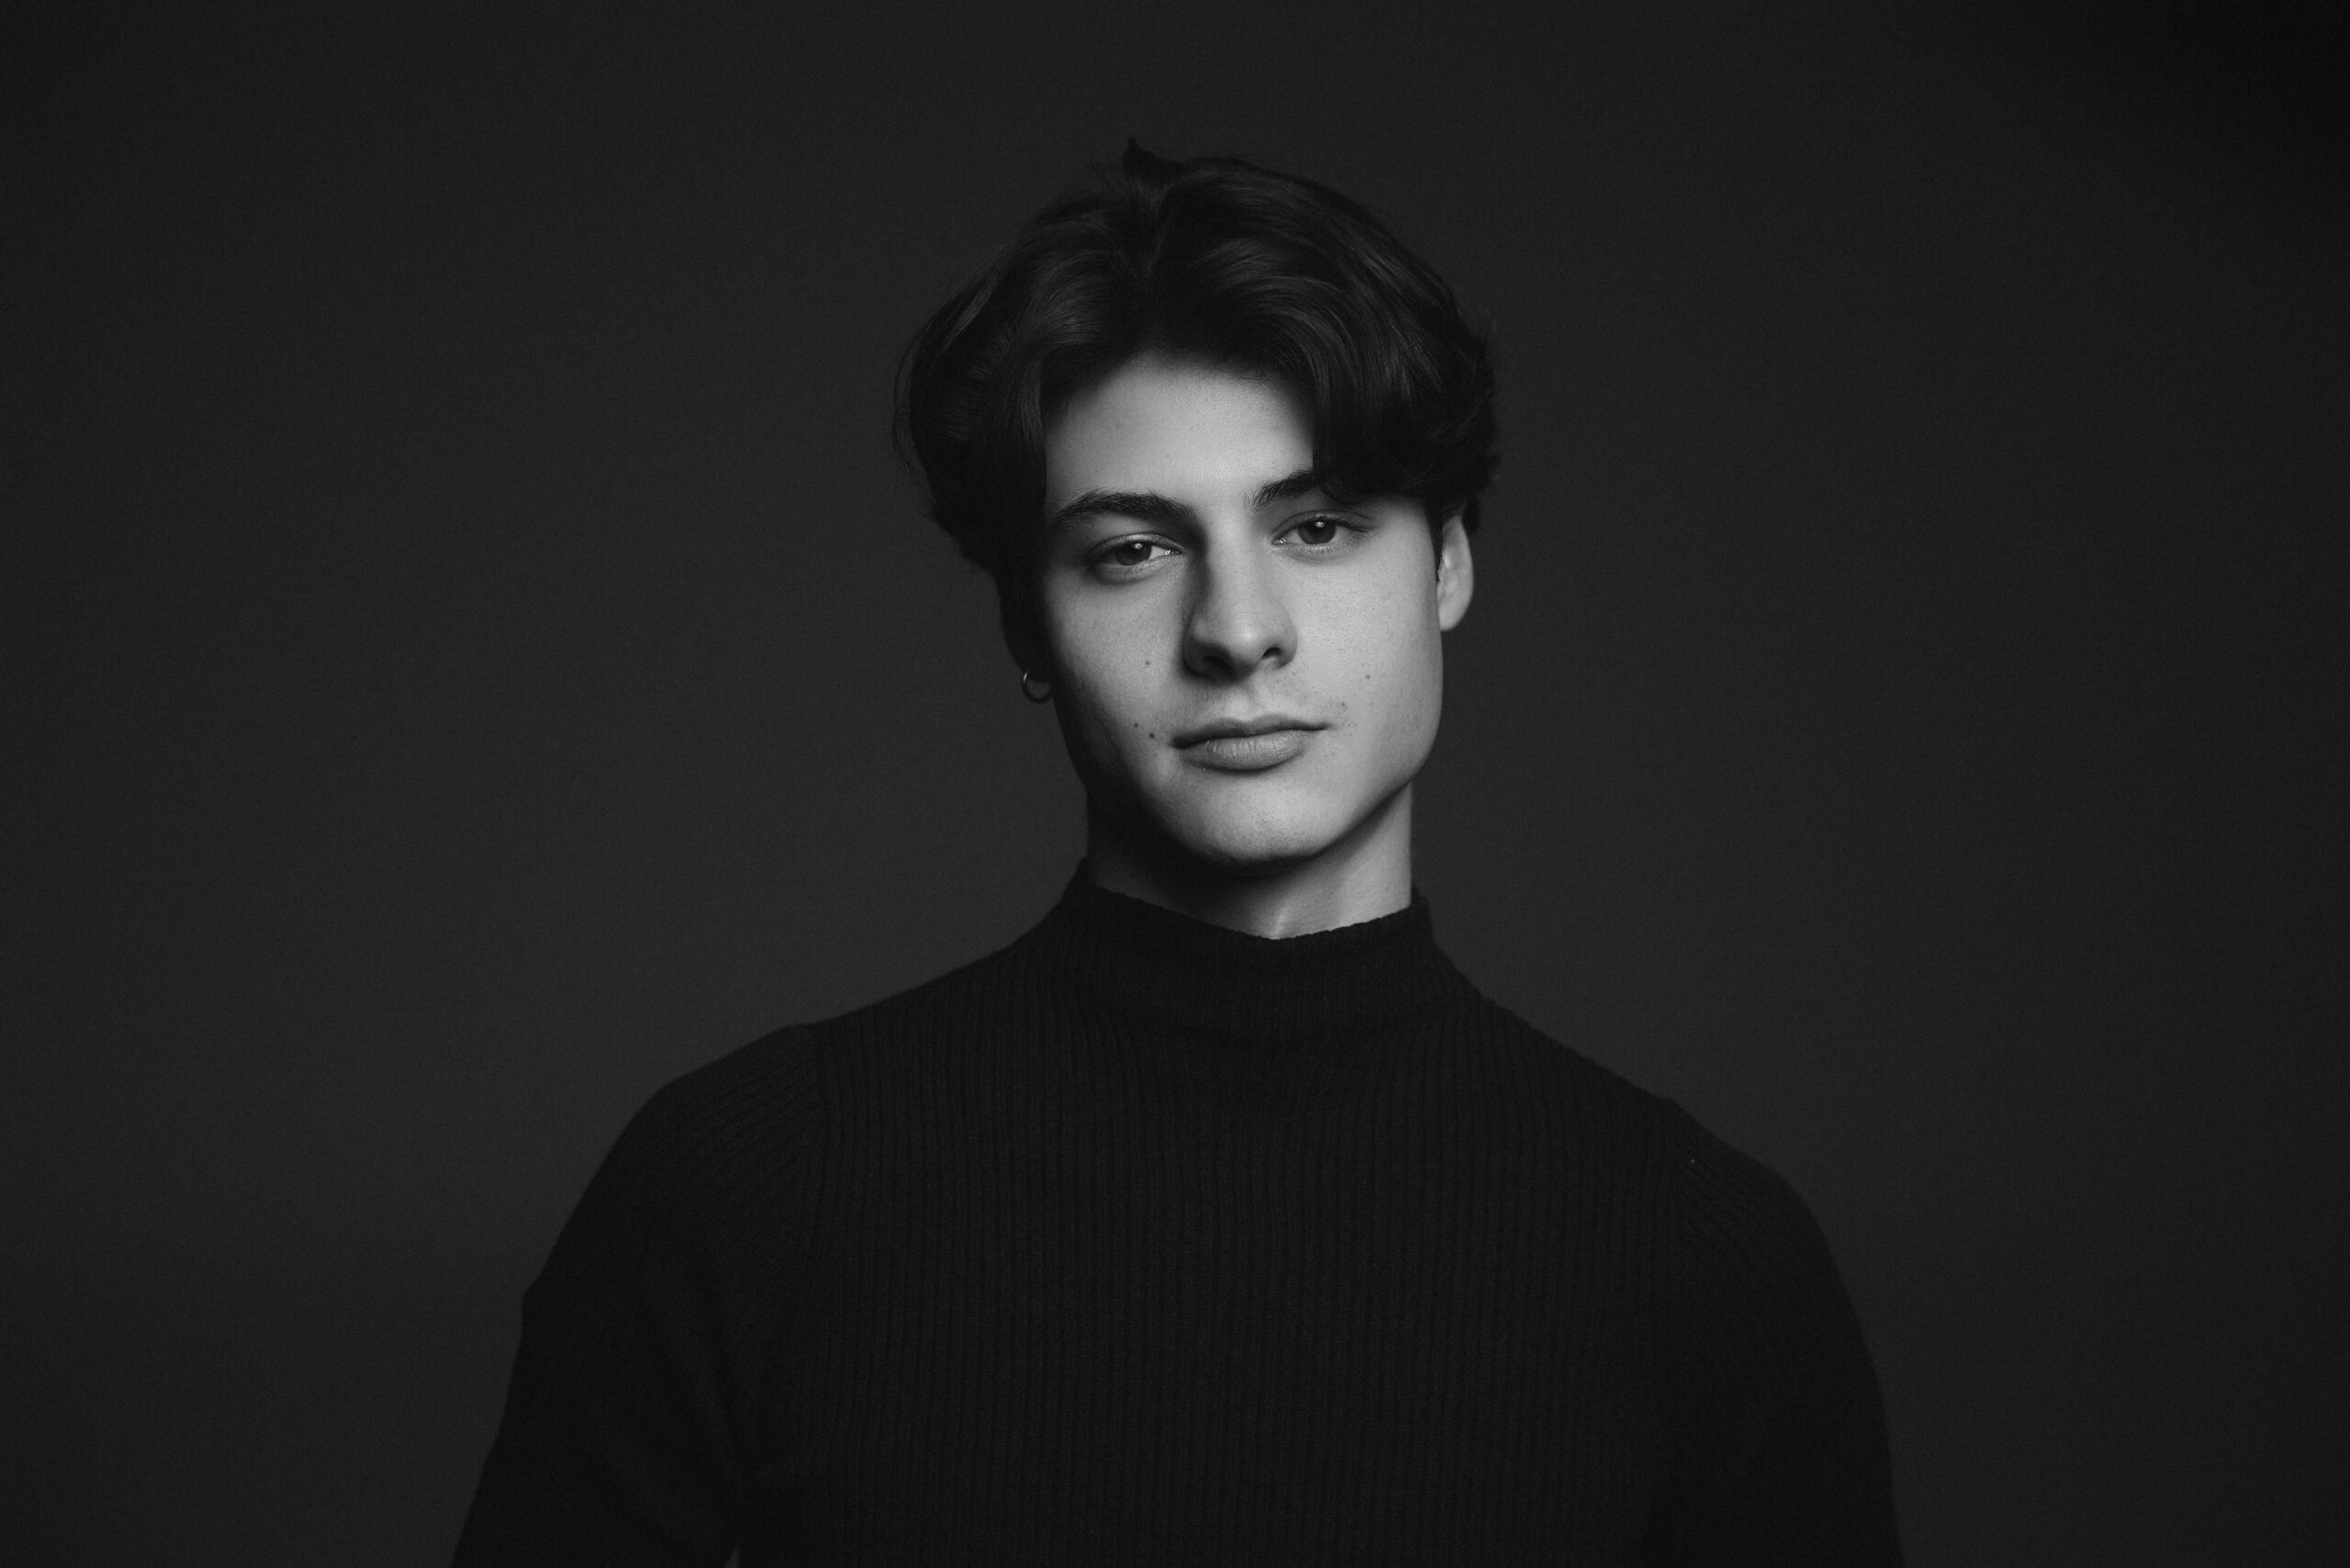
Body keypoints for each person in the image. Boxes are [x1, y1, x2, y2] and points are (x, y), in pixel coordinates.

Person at [453, 144, 1903, 1564]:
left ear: (1450, 562)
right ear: (1026, 624)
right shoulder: (753, 1190)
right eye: (1132, 552)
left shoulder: (1704, 1261)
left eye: (1319, 525)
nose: (1237, 630)